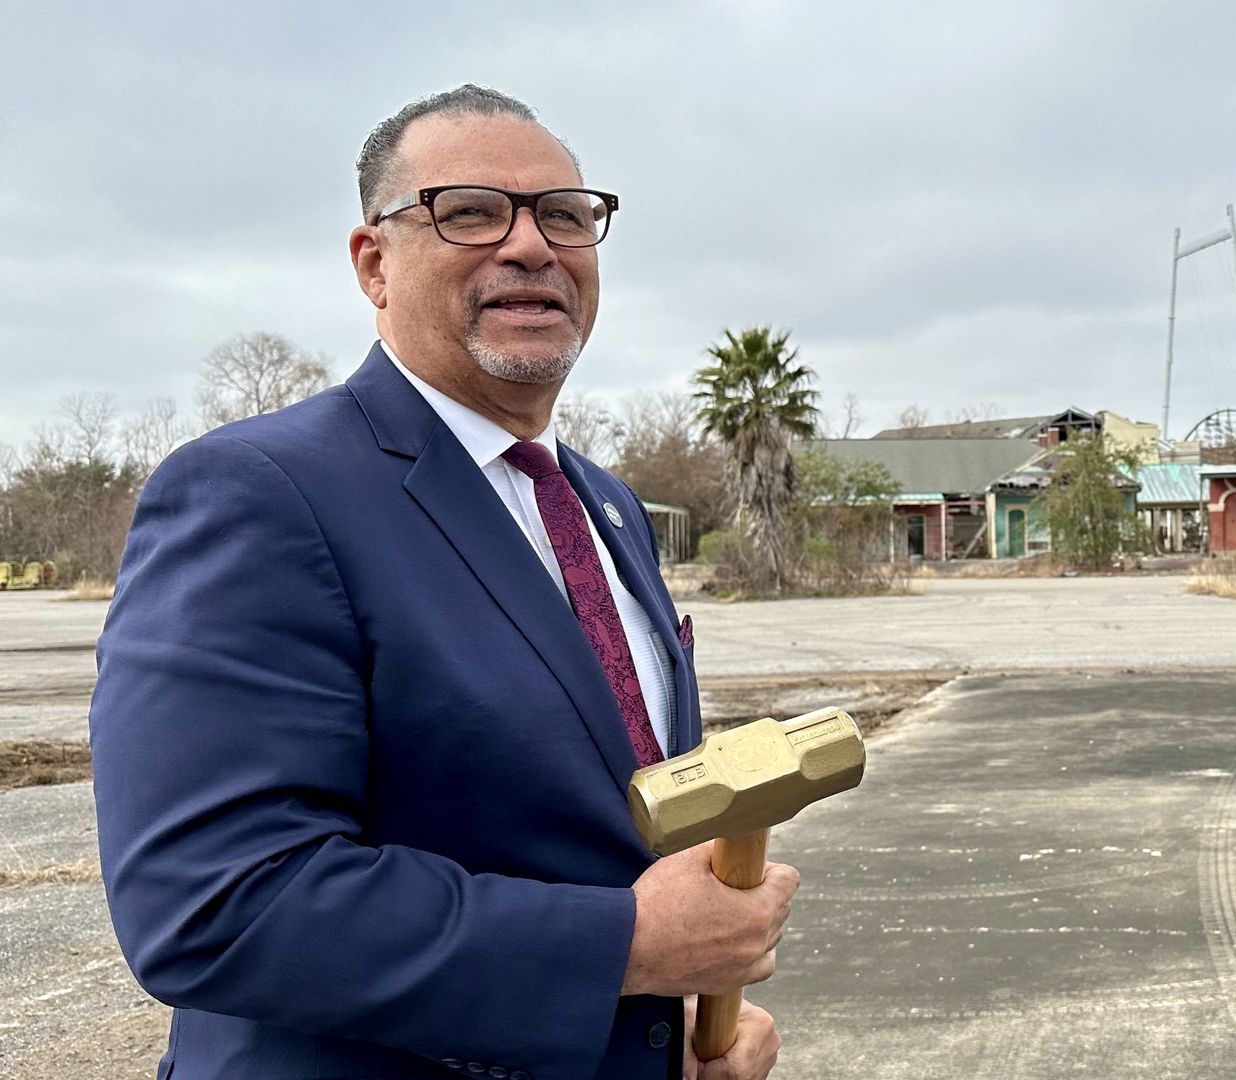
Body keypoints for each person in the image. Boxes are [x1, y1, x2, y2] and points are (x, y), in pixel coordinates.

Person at [90, 85, 792, 1080]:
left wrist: (671, 1021)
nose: (531, 246)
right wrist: (625, 947)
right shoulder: (259, 494)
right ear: (374, 264)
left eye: (565, 214)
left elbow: (606, 829)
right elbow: (215, 902)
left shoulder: (607, 508)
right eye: (469, 212)